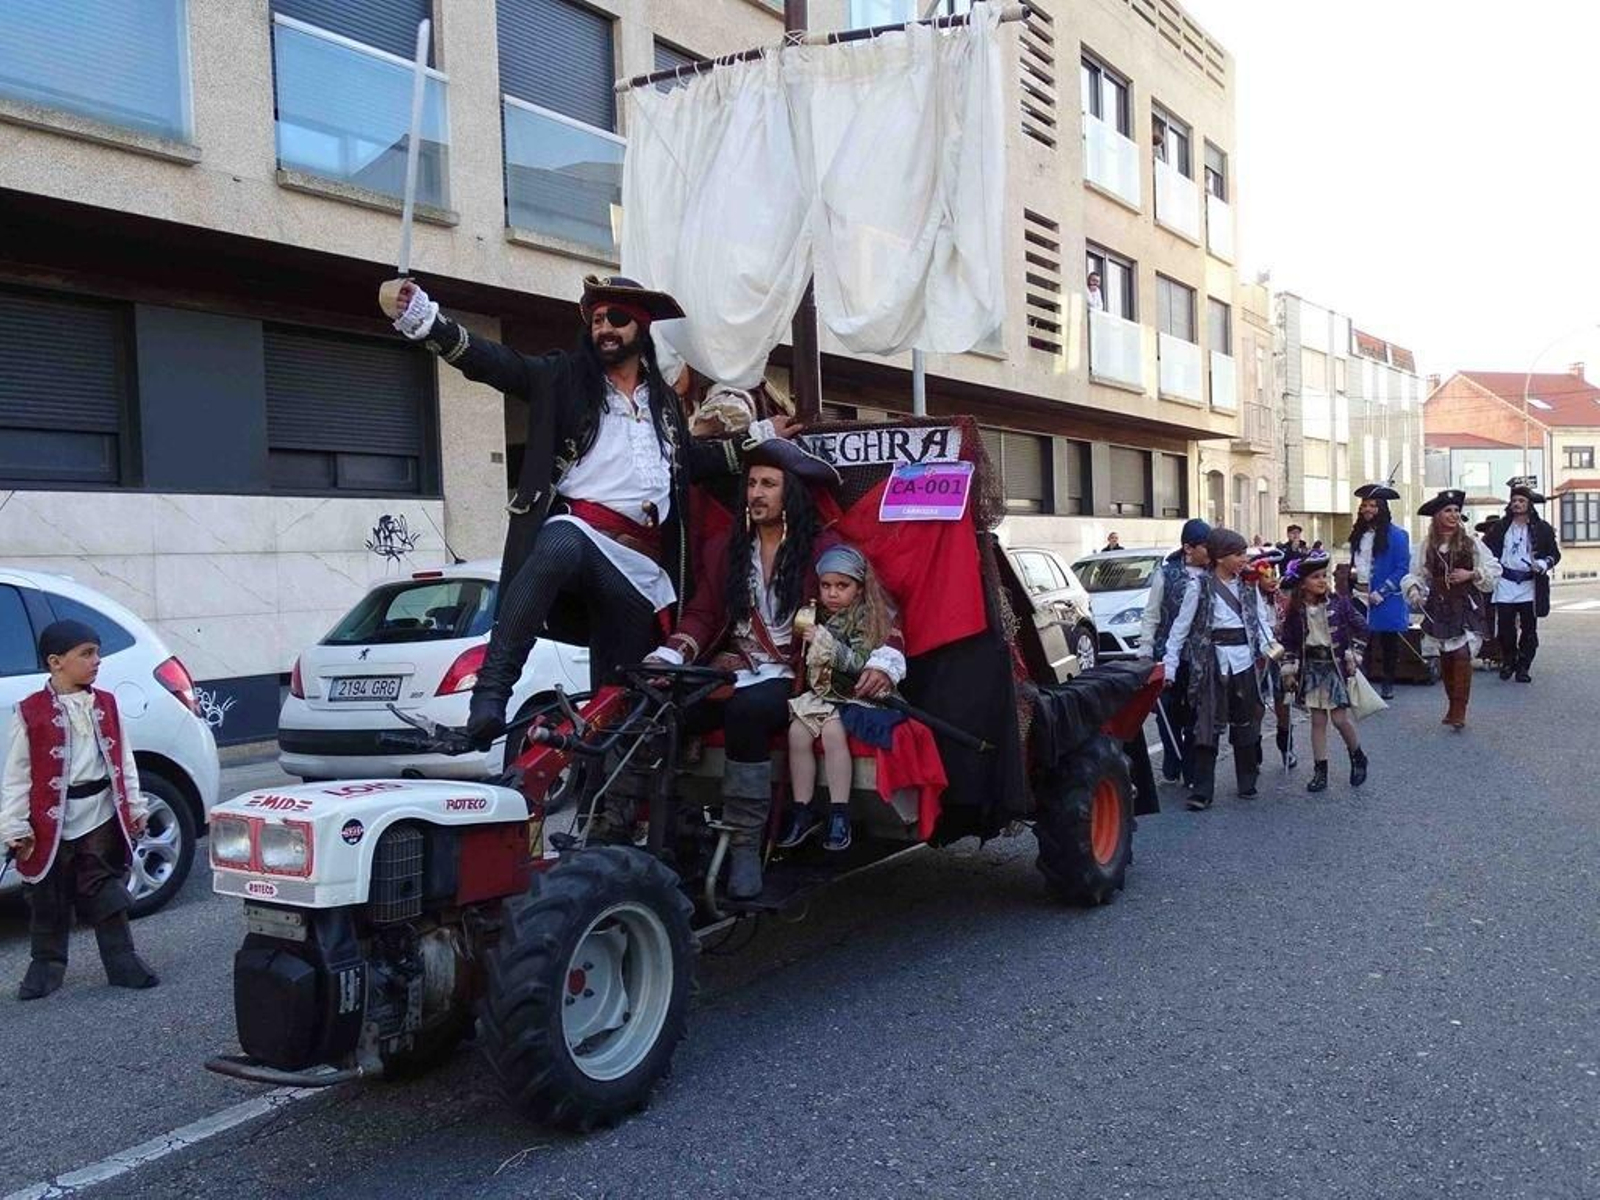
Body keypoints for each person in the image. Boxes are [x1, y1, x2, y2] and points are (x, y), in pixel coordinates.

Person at [380, 274, 797, 747]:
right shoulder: (563, 379)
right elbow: (497, 364)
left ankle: (618, 809)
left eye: (616, 319)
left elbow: (693, 463)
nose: (604, 328)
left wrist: (760, 438)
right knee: (562, 536)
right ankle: (490, 700)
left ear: (640, 327)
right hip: (584, 539)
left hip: (643, 573)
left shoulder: (662, 404)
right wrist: (428, 321)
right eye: (597, 320)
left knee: (625, 703)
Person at [657, 442, 904, 898]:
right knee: (666, 710)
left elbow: (878, 612)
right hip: (736, 669)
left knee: (747, 713)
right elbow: (704, 615)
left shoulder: (825, 550)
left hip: (797, 676)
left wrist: (884, 664)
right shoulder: (723, 549)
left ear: (790, 493)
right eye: (751, 483)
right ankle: (666, 841)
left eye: (768, 484)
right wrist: (672, 655)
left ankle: (748, 848)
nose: (756, 493)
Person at [3, 621, 157, 1000]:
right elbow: (17, 776)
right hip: (50, 821)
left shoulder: (105, 703)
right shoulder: (29, 712)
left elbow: (124, 759)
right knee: (47, 894)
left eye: (97, 653)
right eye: (86, 654)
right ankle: (46, 965)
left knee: (104, 886)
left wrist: (134, 805)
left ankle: (122, 960)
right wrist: (14, 826)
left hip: (100, 814)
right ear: (56, 662)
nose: (96, 661)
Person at [778, 545, 904, 854]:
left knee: (833, 733)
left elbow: (860, 664)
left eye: (842, 586)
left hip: (856, 693)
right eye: (826, 586)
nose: (832, 593)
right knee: (797, 733)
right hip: (822, 692)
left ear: (859, 588)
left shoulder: (869, 616)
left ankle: (839, 813)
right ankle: (802, 809)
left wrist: (826, 643)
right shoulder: (814, 613)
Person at [1162, 528, 1276, 811]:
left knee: (1246, 722)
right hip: (1211, 660)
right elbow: (1180, 629)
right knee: (1206, 725)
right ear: (1221, 556)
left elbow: (1260, 621)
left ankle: (1247, 782)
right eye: (1238, 554)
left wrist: (1270, 648)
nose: (1243, 559)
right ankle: (1202, 790)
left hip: (1244, 661)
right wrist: (1170, 665)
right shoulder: (1198, 586)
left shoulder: (1249, 587)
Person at [1402, 489, 1501, 730]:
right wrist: (1414, 590)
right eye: (1448, 510)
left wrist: (1471, 573)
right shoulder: (1426, 545)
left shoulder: (1471, 543)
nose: (1454, 514)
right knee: (1446, 657)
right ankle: (1452, 704)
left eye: (1457, 510)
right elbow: (1416, 574)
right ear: (1437, 516)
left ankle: (1460, 709)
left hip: (1466, 604)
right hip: (1439, 607)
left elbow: (1493, 568)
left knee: (1462, 655)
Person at [1279, 553, 1369, 794]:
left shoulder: (1340, 603)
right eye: (1315, 577)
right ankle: (1321, 771)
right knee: (1317, 721)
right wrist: (1289, 668)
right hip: (1311, 668)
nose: (1321, 581)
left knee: (1339, 719)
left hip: (1333, 668)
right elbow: (1288, 642)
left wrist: (1355, 654)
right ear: (1302, 583)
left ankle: (1357, 755)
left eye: (1324, 576)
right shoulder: (1295, 610)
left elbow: (1362, 628)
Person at [1140, 517, 1210, 784]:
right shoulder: (1166, 574)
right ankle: (1172, 754)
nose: (1210, 552)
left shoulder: (1213, 575)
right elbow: (1151, 614)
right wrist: (1146, 649)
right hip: (1167, 654)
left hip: (1199, 658)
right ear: (1189, 548)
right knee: (1166, 709)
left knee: (1196, 712)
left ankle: (1191, 764)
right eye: (1205, 546)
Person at [1482, 477, 1561, 682]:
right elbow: (1485, 550)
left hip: (1529, 585)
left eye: (1522, 501)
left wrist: (1543, 564)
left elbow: (1554, 554)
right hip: (1506, 583)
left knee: (1528, 629)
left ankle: (1524, 666)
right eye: (1514, 500)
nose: (1517, 504)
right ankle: (1508, 661)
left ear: (1529, 505)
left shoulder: (1542, 528)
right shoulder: (1500, 527)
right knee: (1506, 628)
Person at [1348, 482, 1411, 700]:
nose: (1367, 509)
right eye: (1364, 505)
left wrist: (1382, 591)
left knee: (1387, 642)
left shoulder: (1398, 535)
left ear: (1381, 508)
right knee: (1359, 640)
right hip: (1359, 594)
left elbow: (1402, 567)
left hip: (1384, 597)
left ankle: (1387, 682)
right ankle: (1361, 682)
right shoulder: (1358, 534)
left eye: (1373, 505)